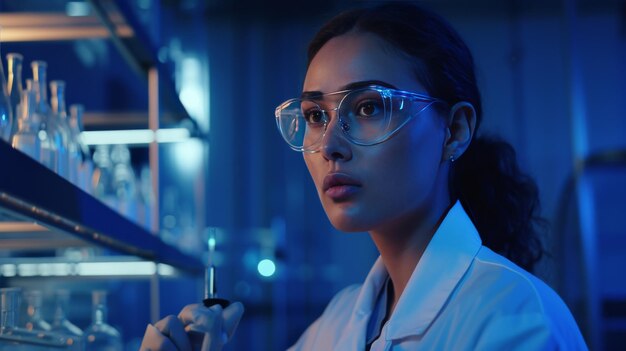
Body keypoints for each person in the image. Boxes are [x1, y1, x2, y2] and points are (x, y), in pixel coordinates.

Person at [141, 2, 588, 350]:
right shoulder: (340, 322)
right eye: (316, 115)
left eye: (369, 107)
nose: (331, 143)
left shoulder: (515, 319)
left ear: (453, 131)